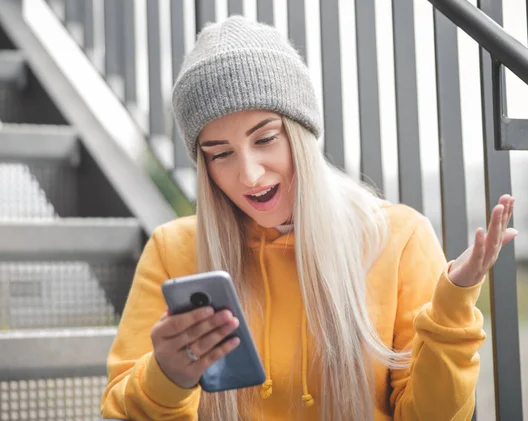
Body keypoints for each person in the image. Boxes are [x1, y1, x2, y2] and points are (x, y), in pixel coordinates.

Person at [100, 16, 518, 421]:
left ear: (302, 135)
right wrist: (168, 376)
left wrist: (453, 306)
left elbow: (433, 417)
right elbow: (119, 409)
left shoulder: (398, 238)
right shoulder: (173, 250)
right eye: (220, 154)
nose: (249, 174)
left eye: (265, 138)